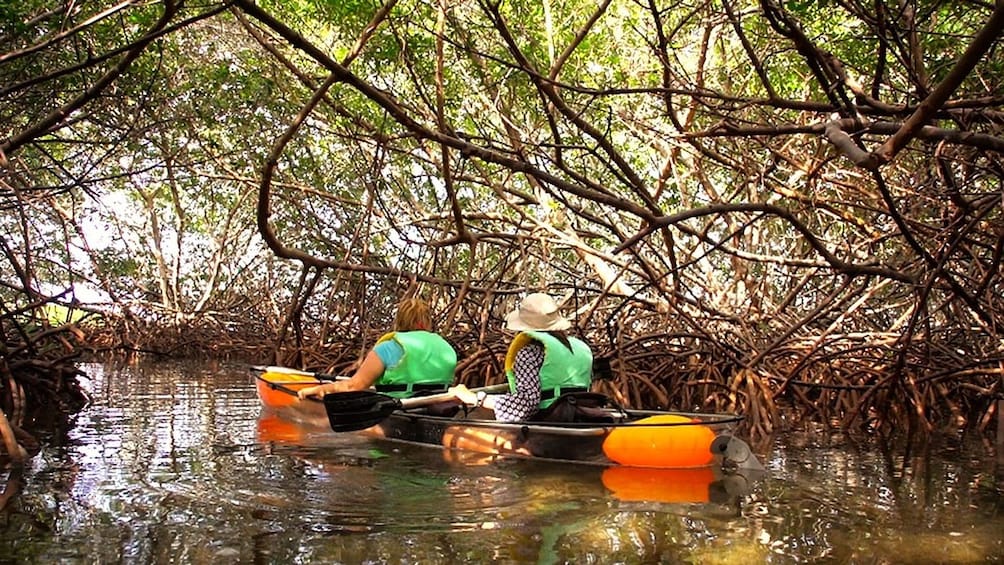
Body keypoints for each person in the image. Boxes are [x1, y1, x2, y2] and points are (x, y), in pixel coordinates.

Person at [449, 292, 593, 421]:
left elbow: (525, 405)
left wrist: (475, 398)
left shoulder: (529, 352)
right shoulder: (581, 348)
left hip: (550, 419)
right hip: (582, 415)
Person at [297, 298, 458, 400]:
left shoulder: (389, 348)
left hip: (399, 411)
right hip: (439, 409)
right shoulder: (445, 347)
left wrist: (319, 389)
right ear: (427, 321)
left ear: (400, 320)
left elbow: (353, 386)